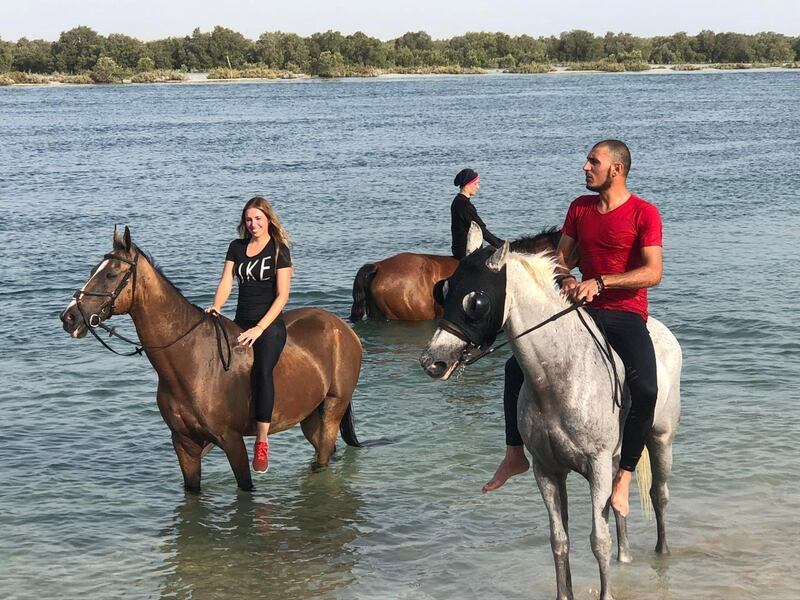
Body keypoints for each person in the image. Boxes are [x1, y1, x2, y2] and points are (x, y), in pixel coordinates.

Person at [483, 140, 663, 518]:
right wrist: (564, 277)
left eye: (593, 162)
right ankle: (514, 454)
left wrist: (601, 282)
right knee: (515, 365)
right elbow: (562, 259)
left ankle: (625, 475)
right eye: (587, 161)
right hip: (580, 308)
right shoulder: (580, 208)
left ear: (616, 169)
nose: (585, 167)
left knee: (646, 388)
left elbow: (653, 273)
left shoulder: (643, 213)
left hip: (625, 312)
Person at [207, 196, 293, 473]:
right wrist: (217, 307)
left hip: (269, 324)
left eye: (258, 218)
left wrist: (260, 328)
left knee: (261, 371)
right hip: (240, 320)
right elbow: (226, 282)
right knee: (219, 365)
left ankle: (262, 441)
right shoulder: (237, 247)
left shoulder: (279, 250)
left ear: (268, 219)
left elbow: (282, 297)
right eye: (248, 219)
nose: (253, 224)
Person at [450, 168, 504, 259]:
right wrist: (501, 244)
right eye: (476, 183)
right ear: (467, 184)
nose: (478, 187)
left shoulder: (457, 201)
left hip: (459, 249)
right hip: (466, 252)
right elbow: (481, 229)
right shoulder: (464, 205)